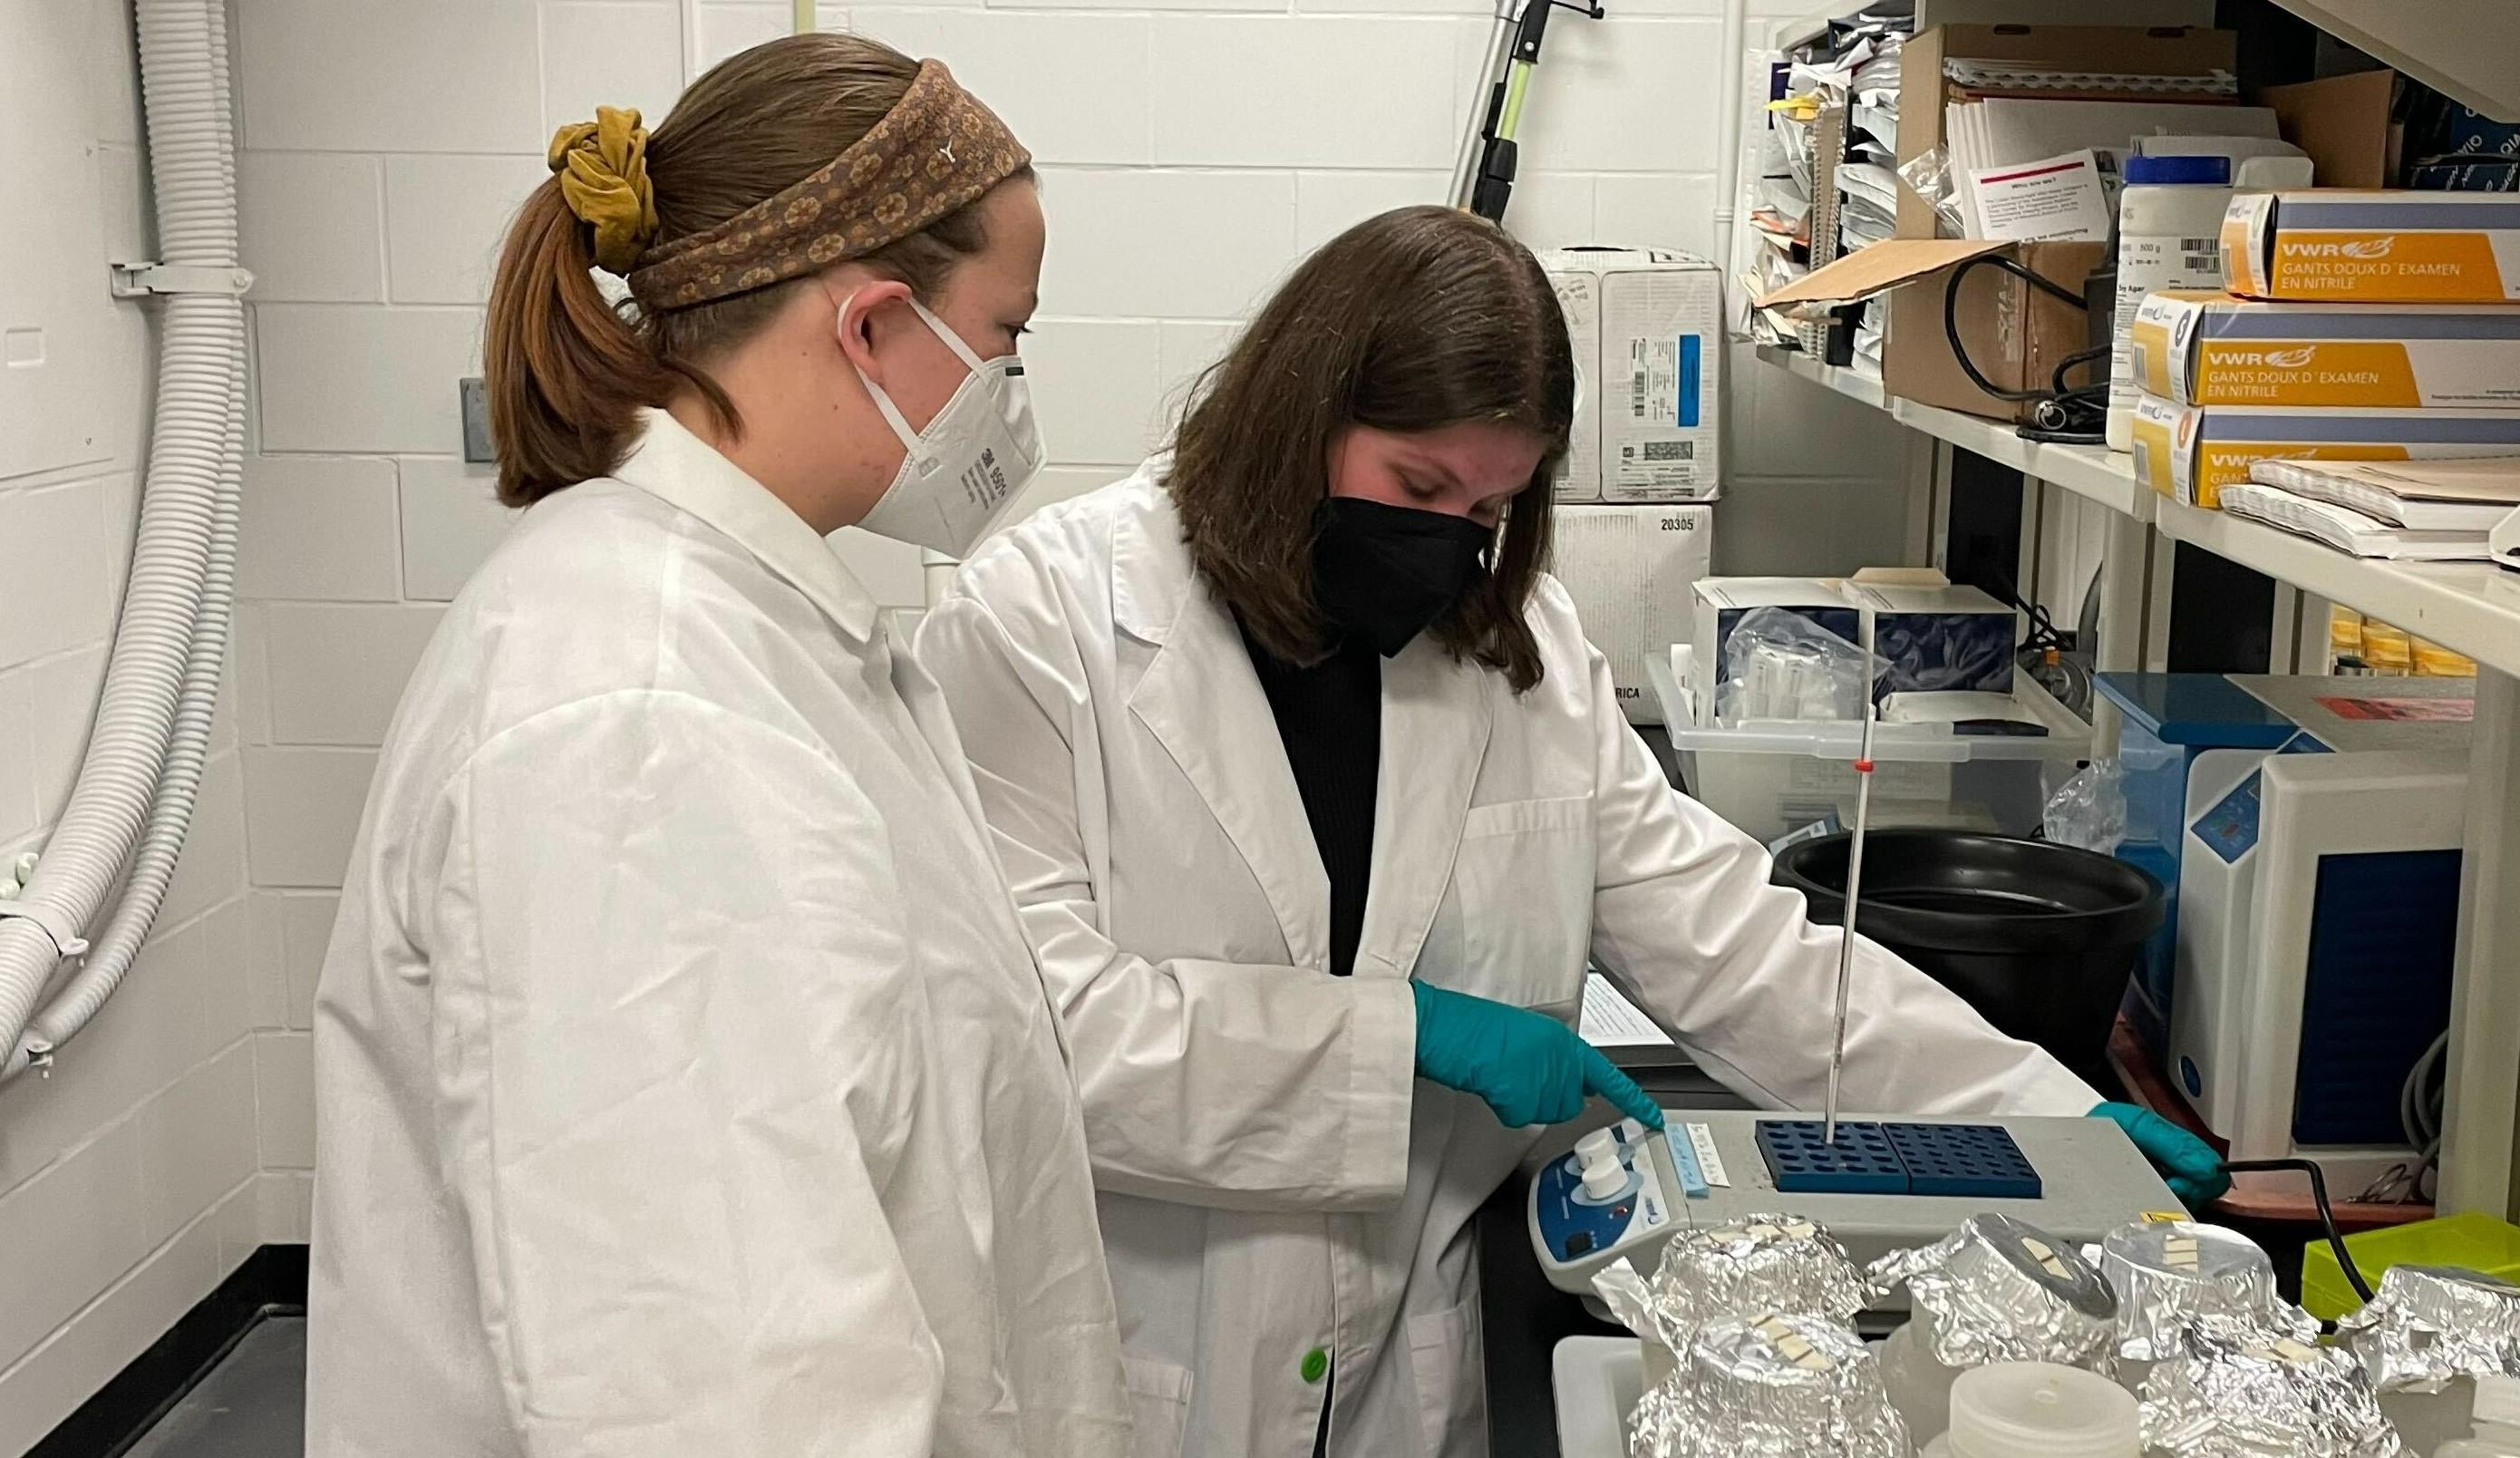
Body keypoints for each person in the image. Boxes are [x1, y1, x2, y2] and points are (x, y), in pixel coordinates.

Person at [914, 205, 2226, 1458]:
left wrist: (2039, 1125)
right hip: (1141, 1363)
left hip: (1401, 1372)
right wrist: (1409, 1036)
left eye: (1488, 511)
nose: (1448, 546)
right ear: (1294, 416)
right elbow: (1037, 1034)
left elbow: (1738, 948)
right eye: (1418, 484)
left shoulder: (1515, 654)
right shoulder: (1044, 625)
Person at [306, 35, 1129, 1458]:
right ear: (871, 326)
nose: (1008, 387)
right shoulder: (638, 710)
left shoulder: (745, 629)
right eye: (1006, 336)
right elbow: (724, 1389)